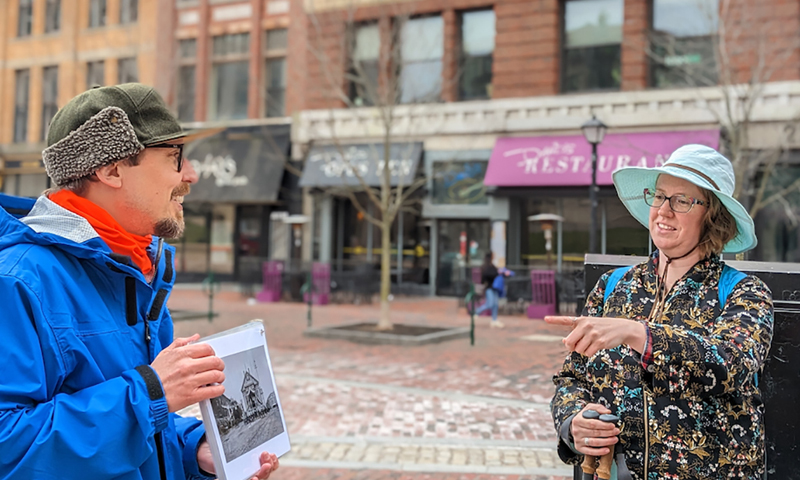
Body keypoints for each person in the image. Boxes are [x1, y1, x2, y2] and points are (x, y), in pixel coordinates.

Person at [0, 83, 279, 480]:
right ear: (111, 170)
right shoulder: (17, 281)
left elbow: (135, 426)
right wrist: (152, 391)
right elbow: (8, 448)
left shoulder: (136, 269)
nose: (191, 174)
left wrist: (195, 451)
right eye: (173, 157)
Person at [545, 145, 774, 479]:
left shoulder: (744, 292)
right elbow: (572, 377)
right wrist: (573, 423)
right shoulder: (613, 285)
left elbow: (731, 365)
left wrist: (638, 333)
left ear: (712, 217)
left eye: (682, 200)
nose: (664, 211)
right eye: (659, 196)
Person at [474, 253, 512, 328]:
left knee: (495, 305)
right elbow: (485, 278)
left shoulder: (493, 266)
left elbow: (497, 273)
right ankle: (477, 312)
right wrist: (497, 273)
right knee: (490, 304)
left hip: (495, 288)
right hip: (489, 288)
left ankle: (494, 320)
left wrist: (503, 273)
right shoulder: (486, 267)